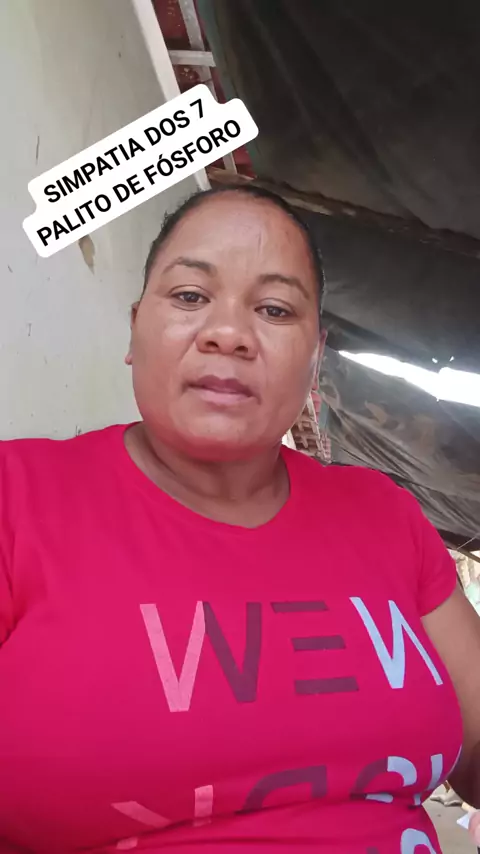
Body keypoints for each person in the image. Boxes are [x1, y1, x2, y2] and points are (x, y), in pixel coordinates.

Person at [0, 184, 479, 854]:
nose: (228, 334)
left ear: (317, 353)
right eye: (189, 296)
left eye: (275, 309)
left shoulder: (385, 513)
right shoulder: (18, 499)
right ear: (135, 329)